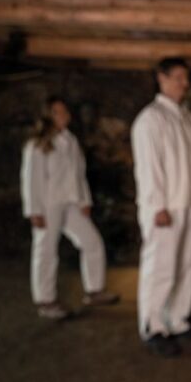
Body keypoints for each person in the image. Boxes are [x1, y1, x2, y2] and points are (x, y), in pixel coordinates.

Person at [131, 57, 191, 357]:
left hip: (189, 202)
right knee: (160, 268)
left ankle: (177, 319)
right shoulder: (151, 119)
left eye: (186, 78)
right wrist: (157, 205)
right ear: (161, 79)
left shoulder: (187, 118)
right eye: (178, 77)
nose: (184, 83)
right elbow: (149, 168)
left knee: (187, 265)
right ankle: (152, 325)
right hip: (165, 207)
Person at [20, 96, 118, 320]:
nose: (64, 115)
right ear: (48, 116)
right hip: (48, 204)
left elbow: (79, 173)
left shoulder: (70, 140)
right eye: (58, 112)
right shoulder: (37, 145)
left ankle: (95, 290)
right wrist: (34, 210)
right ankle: (46, 300)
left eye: (64, 111)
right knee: (46, 251)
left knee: (92, 242)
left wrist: (84, 200)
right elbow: (30, 180)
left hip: (71, 202)